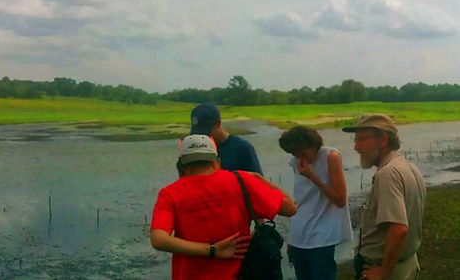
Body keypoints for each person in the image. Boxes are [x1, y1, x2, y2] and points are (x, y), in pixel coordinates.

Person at [151, 134, 297, 280]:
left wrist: (212, 250)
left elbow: (159, 239)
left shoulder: (169, 194)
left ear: (182, 165)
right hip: (239, 274)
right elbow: (290, 208)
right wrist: (258, 178)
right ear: (216, 162)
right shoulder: (241, 181)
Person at [342, 114, 426, 280]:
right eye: (355, 140)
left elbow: (399, 229)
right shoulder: (407, 166)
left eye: (363, 139)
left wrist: (383, 271)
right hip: (407, 263)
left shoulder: (387, 174)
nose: (357, 147)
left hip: (390, 271)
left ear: (383, 140)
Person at [278, 126, 353, 280]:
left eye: (304, 154)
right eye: (296, 155)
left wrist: (313, 177)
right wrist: (292, 238)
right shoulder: (295, 162)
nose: (301, 159)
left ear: (314, 145)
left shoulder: (330, 157)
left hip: (322, 236)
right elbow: (301, 201)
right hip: (300, 233)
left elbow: (340, 200)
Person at [189, 103, 263, 174]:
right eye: (198, 134)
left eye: (206, 133)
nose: (202, 138)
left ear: (218, 123)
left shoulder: (243, 149)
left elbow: (258, 183)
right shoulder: (198, 149)